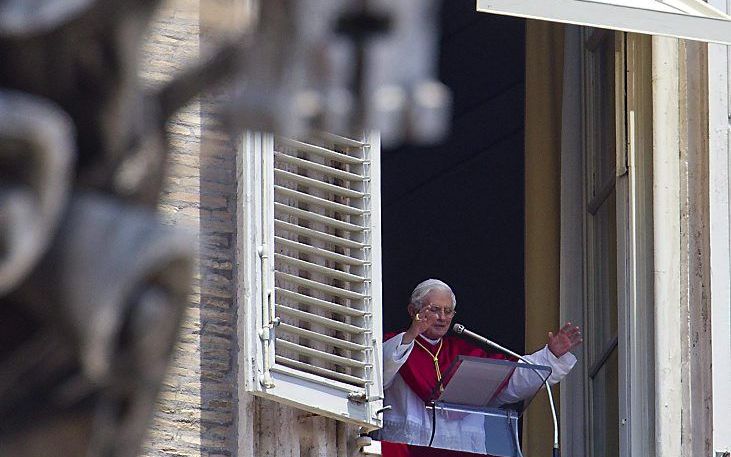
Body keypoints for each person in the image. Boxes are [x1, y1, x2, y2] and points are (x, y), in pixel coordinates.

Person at [380, 279, 583, 457]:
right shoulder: (396, 346)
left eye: (448, 311)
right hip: (409, 449)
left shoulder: (467, 354)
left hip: (462, 449)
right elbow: (379, 377)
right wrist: (411, 334)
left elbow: (513, 380)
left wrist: (551, 355)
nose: (442, 317)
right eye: (434, 310)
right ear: (413, 311)